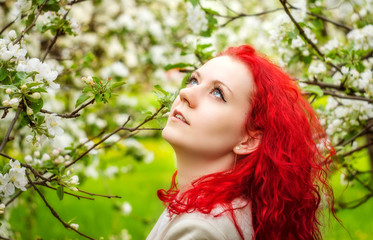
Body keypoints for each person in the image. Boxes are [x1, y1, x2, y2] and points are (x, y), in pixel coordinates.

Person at [146, 45, 335, 240]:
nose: (186, 93)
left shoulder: (200, 230)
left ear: (249, 139)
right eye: (193, 81)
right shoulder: (227, 208)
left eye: (218, 93)